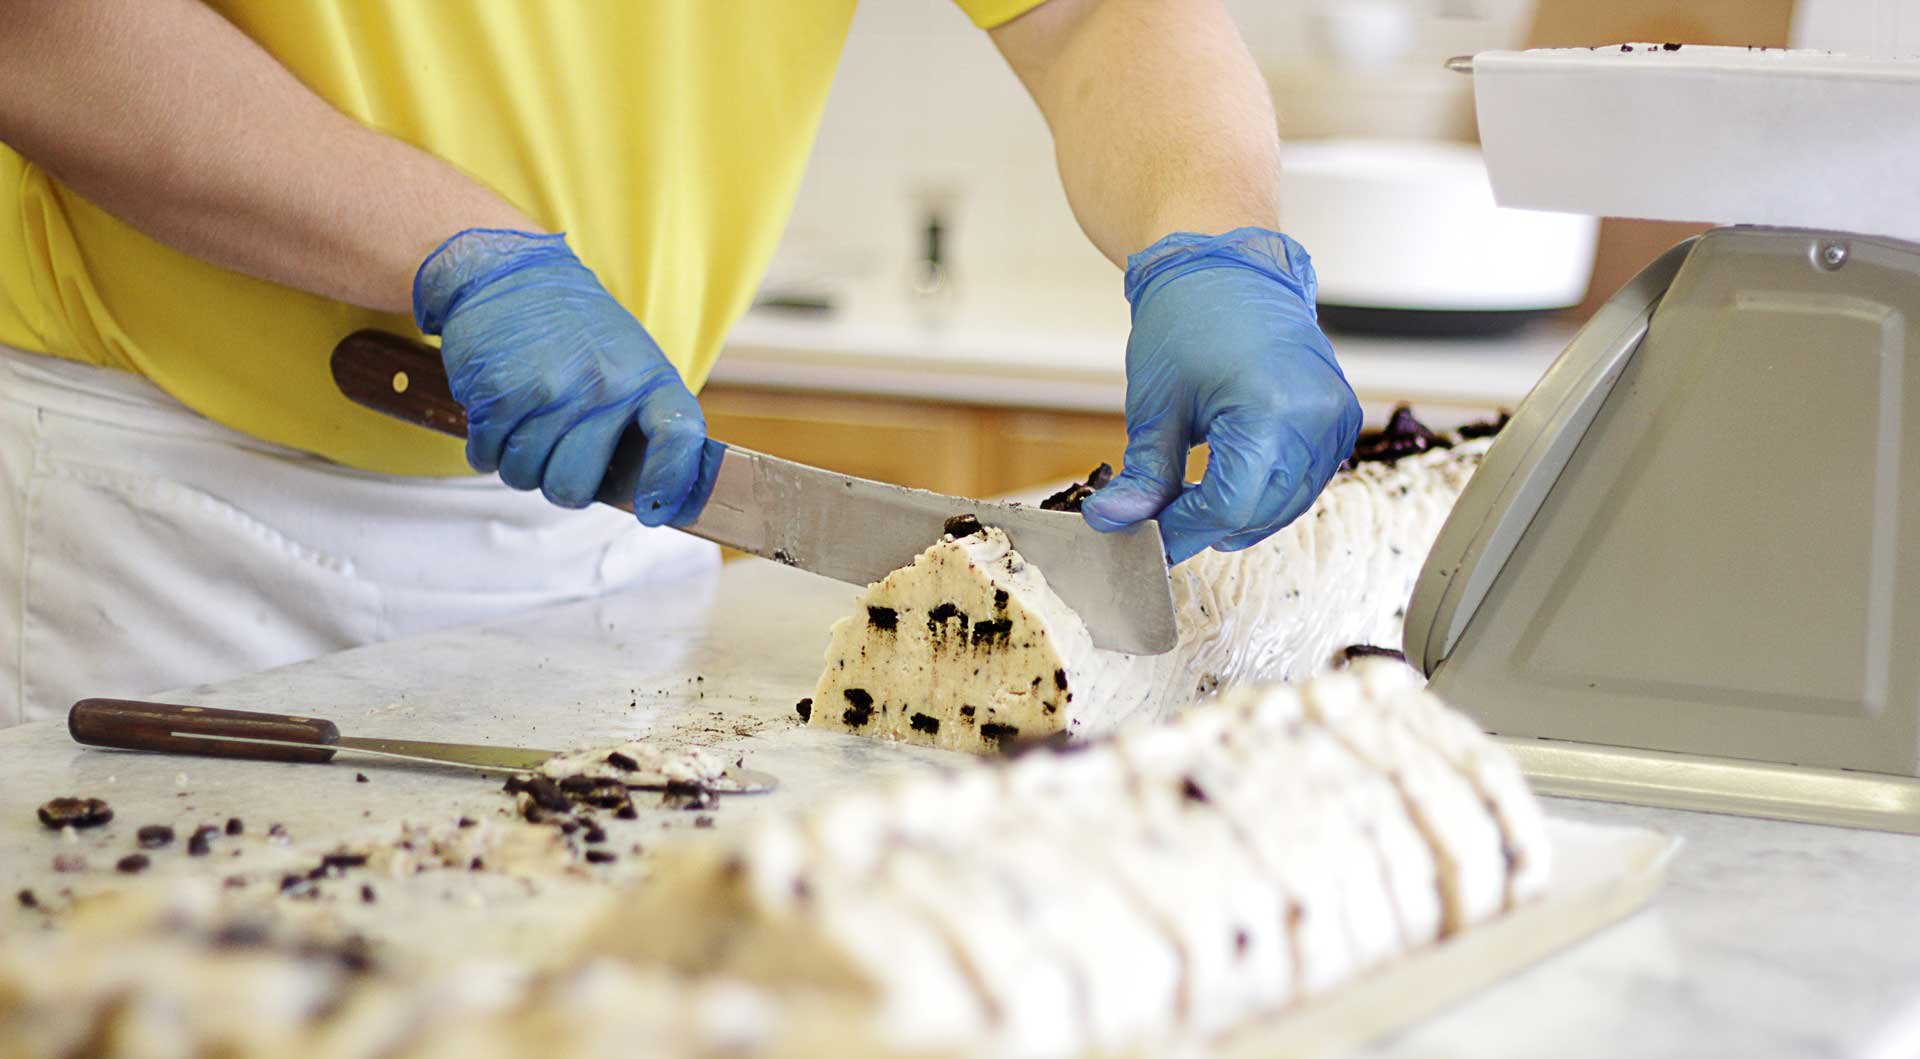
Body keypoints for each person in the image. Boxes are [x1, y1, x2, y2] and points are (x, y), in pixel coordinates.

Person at [0, 0, 1362, 729]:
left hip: (601, 526)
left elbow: (1090, 15)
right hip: (158, 527)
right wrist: (460, 248)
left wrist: (1217, 244)